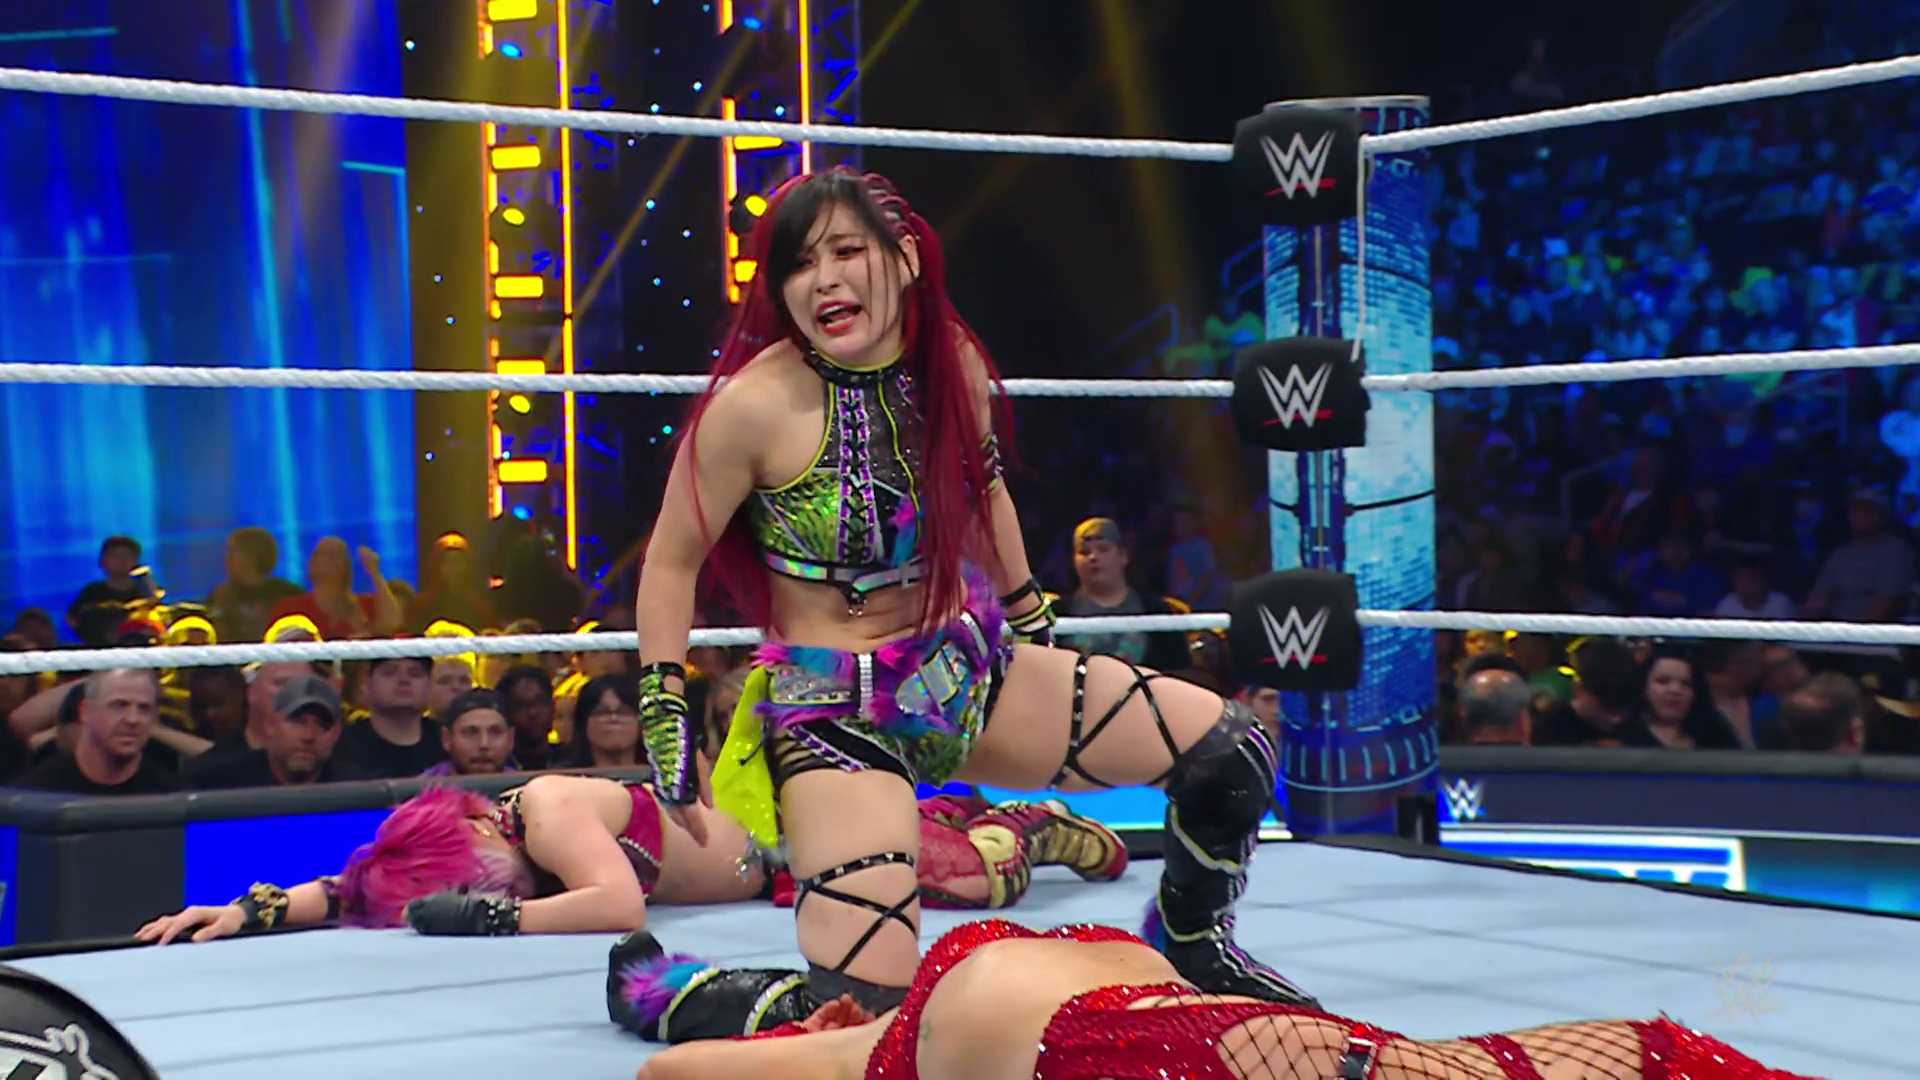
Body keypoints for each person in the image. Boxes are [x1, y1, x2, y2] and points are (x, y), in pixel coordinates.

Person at [633, 165, 1306, 1023]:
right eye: (800, 264)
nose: (824, 280)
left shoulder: (947, 361)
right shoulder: (752, 408)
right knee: (865, 1011)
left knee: (1230, 753)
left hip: (959, 676)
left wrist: (1031, 619)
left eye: (846, 252)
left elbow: (984, 494)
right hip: (835, 714)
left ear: (905, 258)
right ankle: (674, 995)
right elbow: (670, 561)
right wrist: (663, 706)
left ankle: (1196, 944)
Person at [618, 918, 1819, 1079]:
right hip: (1147, 1036)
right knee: (1649, 1055)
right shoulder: (872, 1046)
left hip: (1170, 1036)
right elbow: (672, 1068)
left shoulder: (907, 1019)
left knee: (1648, 1054)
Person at [133, 774, 1126, 943]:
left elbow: (618, 907)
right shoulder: (481, 846)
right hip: (778, 877)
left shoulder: (548, 812)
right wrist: (248, 909)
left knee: (965, 878)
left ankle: (1032, 823)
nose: (486, 895)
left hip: (801, 839)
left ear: (479, 838)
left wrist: (497, 918)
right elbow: (356, 888)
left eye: (477, 886)